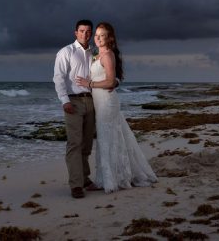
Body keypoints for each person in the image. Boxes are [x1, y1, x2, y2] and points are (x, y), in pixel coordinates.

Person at [75, 22, 157, 193]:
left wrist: (89, 83)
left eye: (101, 35)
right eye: (96, 35)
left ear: (109, 38)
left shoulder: (107, 55)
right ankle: (109, 176)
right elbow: (114, 80)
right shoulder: (97, 55)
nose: (97, 38)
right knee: (110, 137)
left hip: (106, 101)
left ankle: (111, 179)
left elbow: (111, 81)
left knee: (107, 138)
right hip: (99, 101)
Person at [53, 19, 100, 199]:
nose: (85, 34)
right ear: (75, 33)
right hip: (73, 102)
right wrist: (64, 101)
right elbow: (58, 78)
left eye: (88, 31)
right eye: (81, 31)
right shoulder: (66, 52)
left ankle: (85, 179)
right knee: (74, 143)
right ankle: (76, 185)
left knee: (87, 144)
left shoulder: (93, 52)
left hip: (91, 101)